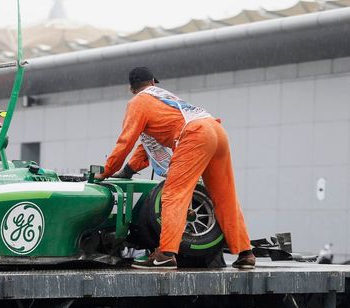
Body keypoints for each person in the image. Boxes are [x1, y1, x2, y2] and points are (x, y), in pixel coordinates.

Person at [95, 66, 255, 270]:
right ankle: (245, 253)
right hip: (216, 130)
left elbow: (126, 141)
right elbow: (147, 147)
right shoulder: (164, 98)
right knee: (225, 196)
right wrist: (127, 171)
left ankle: (166, 254)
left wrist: (107, 171)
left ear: (131, 88)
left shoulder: (138, 102)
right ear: (153, 83)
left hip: (195, 135)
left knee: (173, 194)